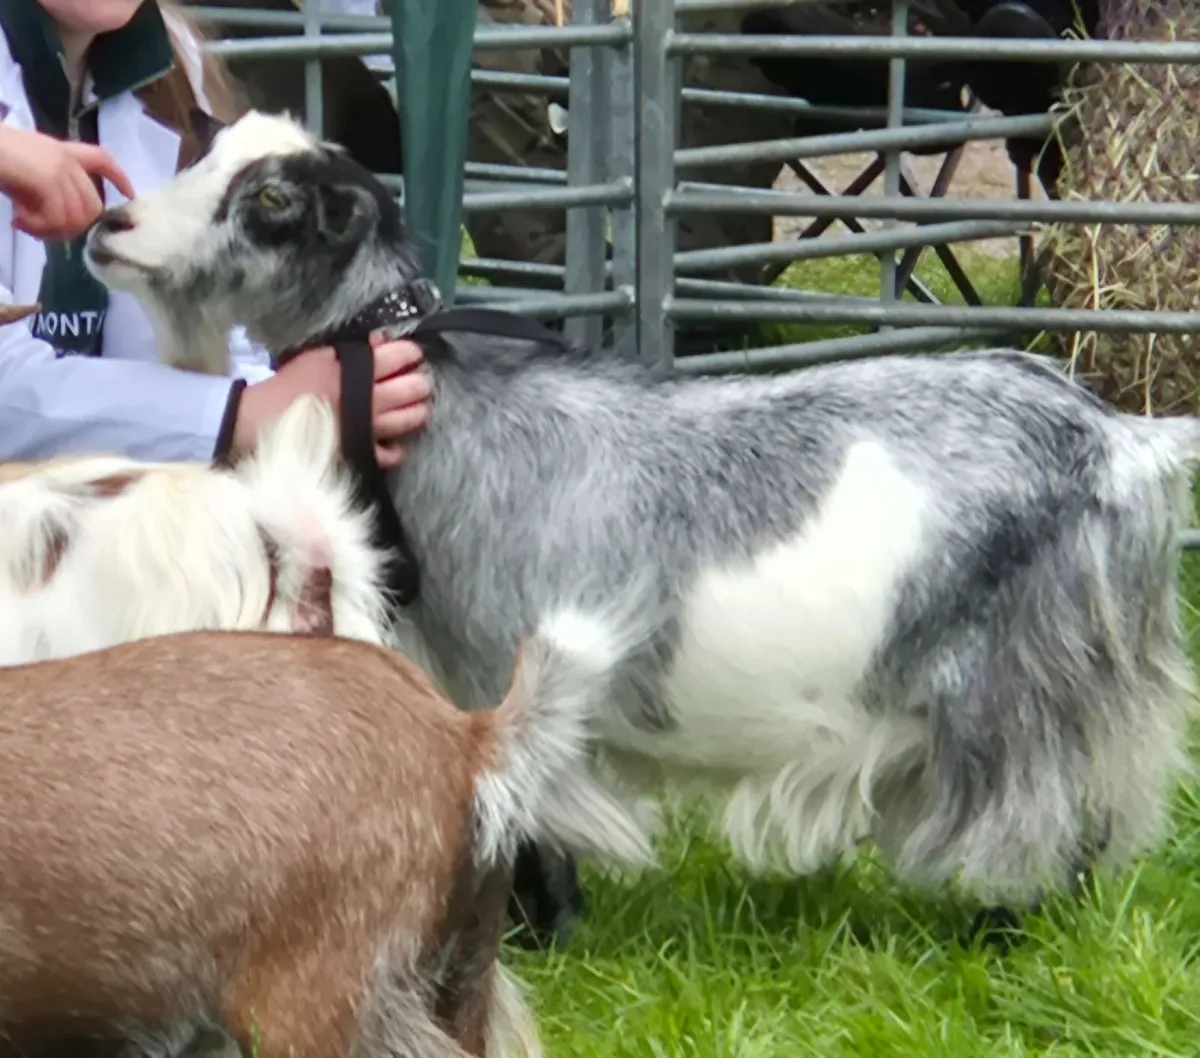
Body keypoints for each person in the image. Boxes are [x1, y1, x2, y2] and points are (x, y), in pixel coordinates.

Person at [0, 0, 431, 467]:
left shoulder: (174, 63)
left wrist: (308, 400)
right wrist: (243, 415)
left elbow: (223, 322)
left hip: (121, 501)